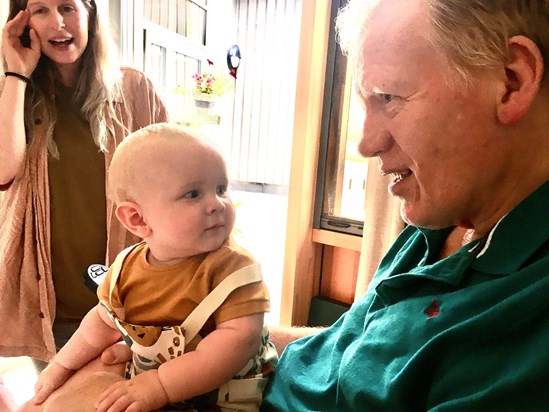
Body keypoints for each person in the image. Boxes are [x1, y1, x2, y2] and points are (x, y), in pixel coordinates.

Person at [8, 0, 549, 410]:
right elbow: (354, 346)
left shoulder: (525, 327)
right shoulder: (436, 221)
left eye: (388, 98)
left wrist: (165, 383)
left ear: (510, 81)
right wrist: (194, 346)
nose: (364, 143)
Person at [28, 123, 278, 412]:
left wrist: (160, 384)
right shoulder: (125, 268)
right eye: (193, 194)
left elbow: (238, 340)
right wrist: (61, 366)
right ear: (137, 219)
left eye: (221, 189)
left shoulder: (235, 270)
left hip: (226, 398)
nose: (217, 204)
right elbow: (100, 323)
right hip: (150, 389)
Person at [0, 0, 168, 367]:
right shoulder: (14, 94)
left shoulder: (135, 89)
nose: (58, 23)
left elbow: (175, 179)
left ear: (90, 14)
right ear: (23, 21)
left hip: (135, 301)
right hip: (52, 307)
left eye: (67, 7)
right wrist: (16, 73)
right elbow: (2, 171)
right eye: (40, 10)